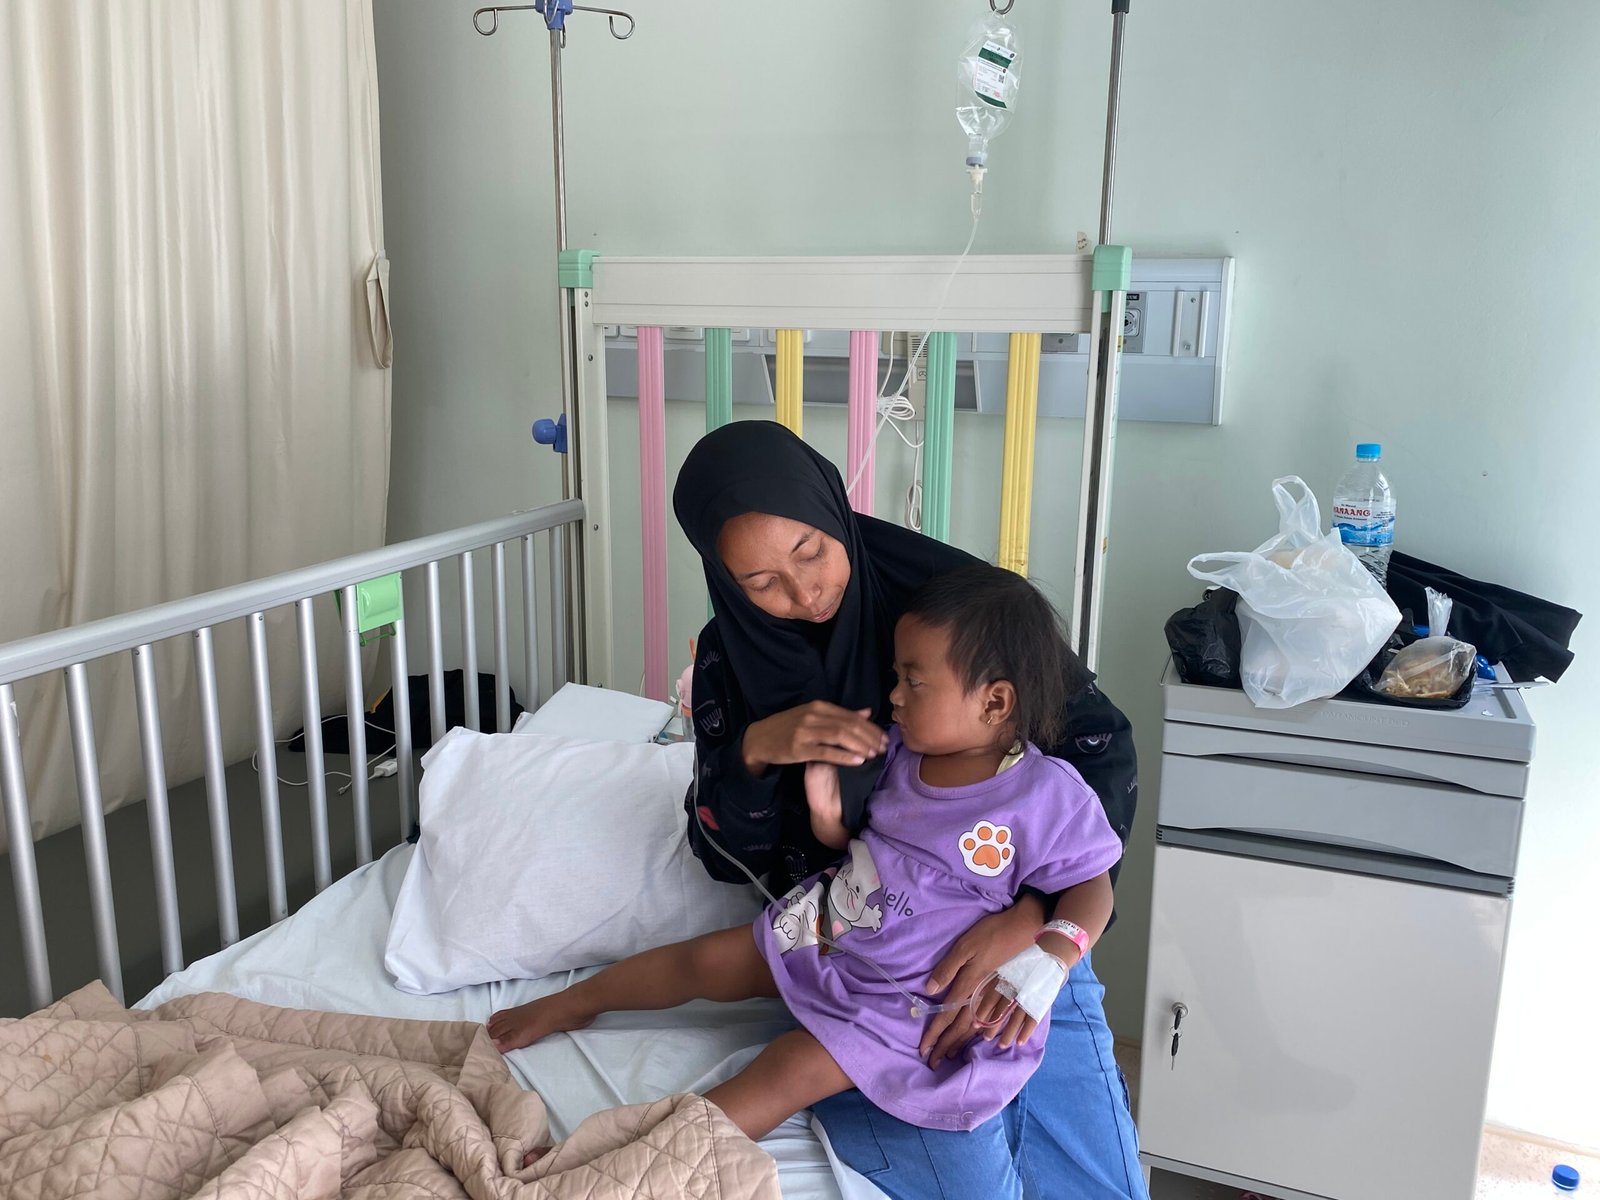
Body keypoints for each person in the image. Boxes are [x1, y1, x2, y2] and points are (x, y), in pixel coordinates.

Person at [668, 421, 1146, 1200]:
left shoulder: (945, 605)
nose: (803, 594)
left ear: (832, 508)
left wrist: (1032, 919)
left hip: (1016, 924)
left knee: (1099, 1187)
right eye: (760, 582)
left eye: (811, 552)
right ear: (725, 580)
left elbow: (1097, 749)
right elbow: (725, 853)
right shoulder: (731, 657)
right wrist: (757, 750)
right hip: (862, 962)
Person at [487, 565, 1122, 1151]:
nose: (895, 695)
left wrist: (1054, 956)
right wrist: (826, 815)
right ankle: (574, 1002)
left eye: (913, 680)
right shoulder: (901, 753)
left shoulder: (1046, 795)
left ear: (994, 702)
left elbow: (1092, 886)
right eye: (896, 677)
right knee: (702, 960)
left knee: (786, 1070)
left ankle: (625, 1163)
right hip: (826, 928)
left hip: (899, 1002)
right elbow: (863, 849)